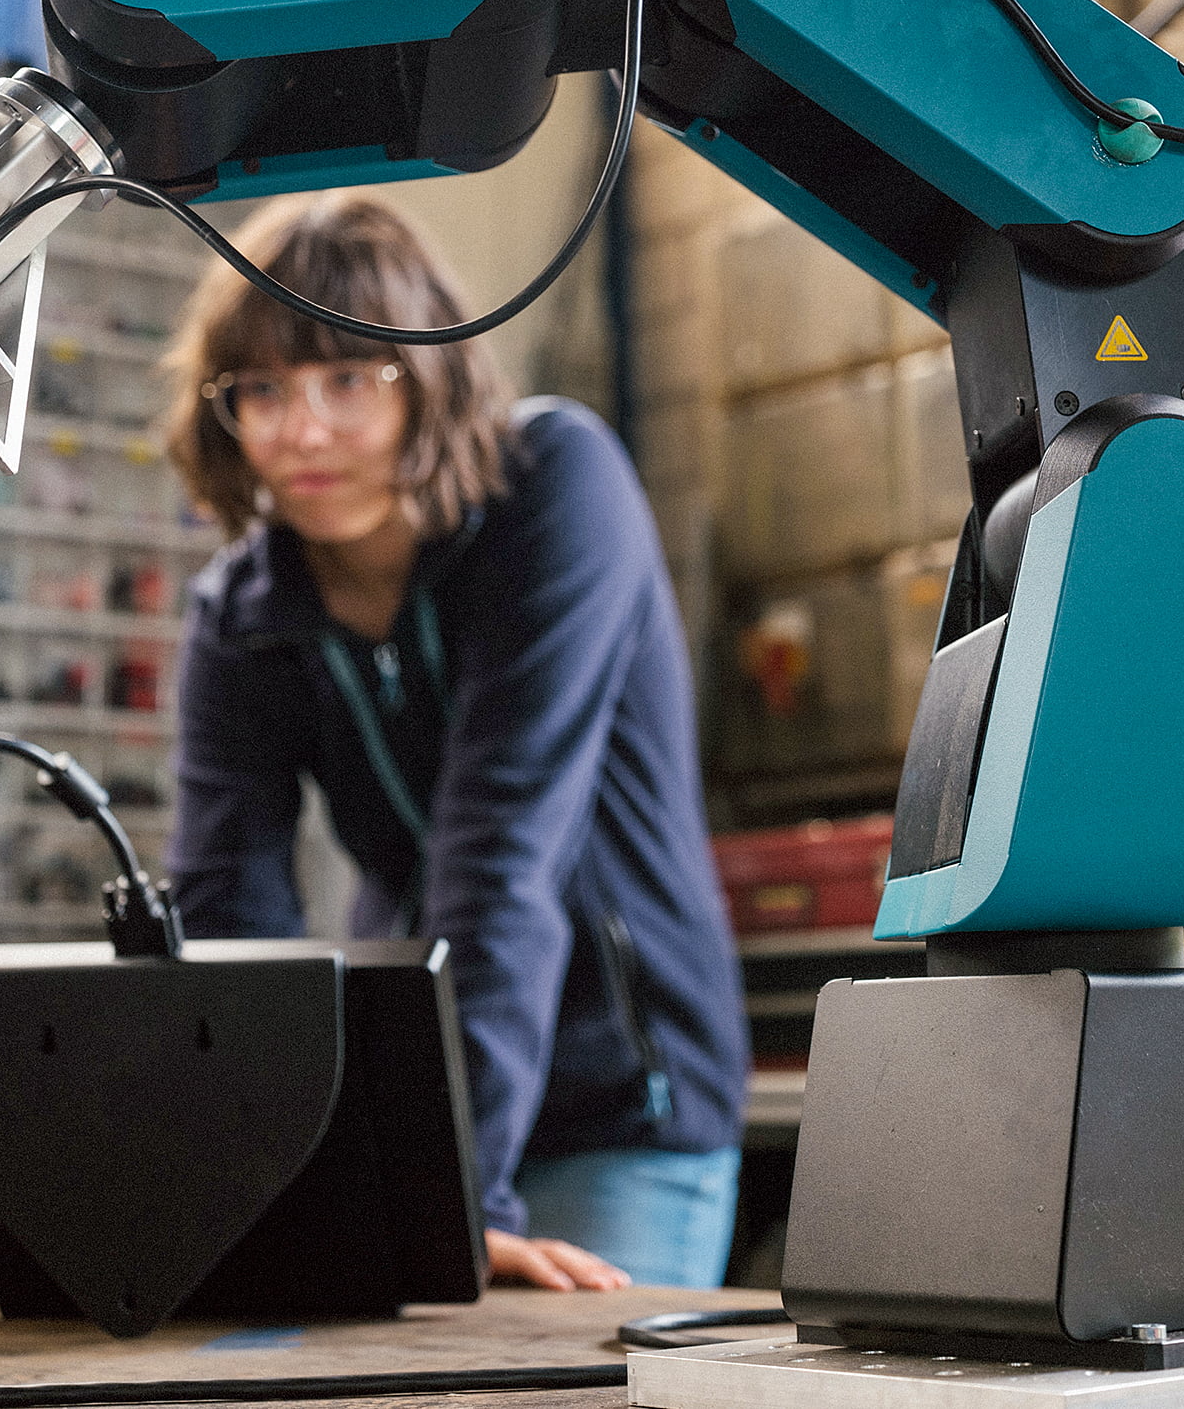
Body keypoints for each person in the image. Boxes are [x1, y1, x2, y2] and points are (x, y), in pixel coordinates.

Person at [158, 191, 749, 1291]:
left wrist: (452, 1205)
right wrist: (253, 1184)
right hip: (412, 1101)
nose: (304, 431)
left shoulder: (554, 489)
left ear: (427, 377)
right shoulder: (242, 615)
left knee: (571, 1374)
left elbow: (500, 858)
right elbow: (227, 916)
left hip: (625, 1097)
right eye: (262, 390)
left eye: (348, 379)